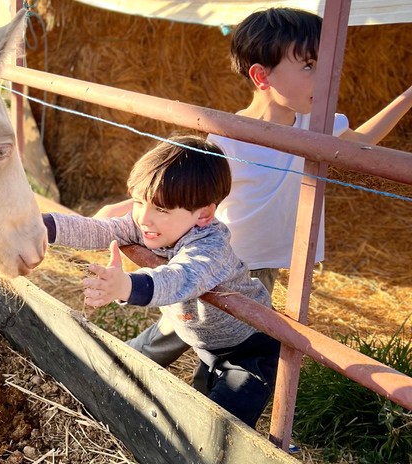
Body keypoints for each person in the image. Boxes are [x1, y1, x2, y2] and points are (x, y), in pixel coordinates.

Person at [94, 7, 412, 382]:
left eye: (325, 65)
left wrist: (408, 96)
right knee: (210, 336)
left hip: (262, 264)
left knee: (190, 327)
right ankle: (118, 372)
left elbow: (363, 142)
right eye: (309, 66)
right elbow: (185, 191)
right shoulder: (228, 138)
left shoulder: (317, 126)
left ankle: (117, 368)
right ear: (262, 76)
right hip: (218, 257)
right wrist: (128, 208)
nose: (326, 77)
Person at [43, 135, 280, 428]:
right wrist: (39, 227)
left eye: (162, 209)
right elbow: (97, 229)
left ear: (204, 214)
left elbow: (176, 279)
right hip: (204, 342)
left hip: (249, 351)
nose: (144, 218)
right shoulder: (149, 224)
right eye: (139, 202)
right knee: (202, 407)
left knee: (218, 429)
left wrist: (126, 286)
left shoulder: (210, 247)